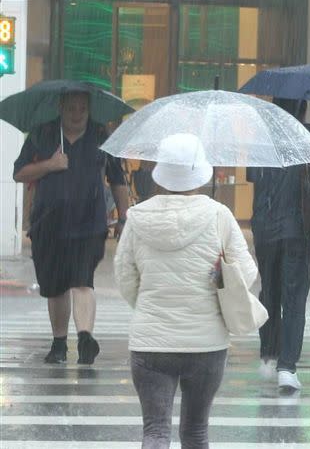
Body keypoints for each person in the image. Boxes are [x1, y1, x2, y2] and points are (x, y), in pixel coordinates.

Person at [114, 133, 256, 449]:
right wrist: (219, 274)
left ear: (160, 174)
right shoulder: (220, 215)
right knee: (195, 432)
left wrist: (149, 305)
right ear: (200, 173)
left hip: (151, 342)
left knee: (155, 431)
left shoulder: (137, 218)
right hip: (206, 343)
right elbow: (245, 274)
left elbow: (124, 277)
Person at [13, 91, 129, 365]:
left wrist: (124, 216)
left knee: (81, 280)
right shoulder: (43, 134)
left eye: (82, 109)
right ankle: (59, 343)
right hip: (48, 223)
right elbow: (19, 173)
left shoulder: (101, 136)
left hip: (88, 224)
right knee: (55, 287)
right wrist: (50, 165)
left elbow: (118, 179)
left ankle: (86, 337)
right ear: (60, 107)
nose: (77, 115)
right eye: (71, 109)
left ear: (89, 109)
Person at [249, 97, 310, 391]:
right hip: (297, 228)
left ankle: (268, 355)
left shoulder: (262, 138)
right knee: (294, 297)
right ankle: (287, 368)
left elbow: (252, 176)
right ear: (302, 109)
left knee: (270, 291)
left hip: (264, 226)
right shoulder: (308, 134)